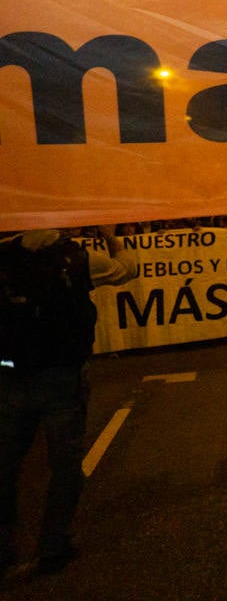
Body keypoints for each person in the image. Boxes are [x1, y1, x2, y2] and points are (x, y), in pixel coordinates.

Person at [0, 225, 138, 575]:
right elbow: (126, 269)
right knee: (64, 464)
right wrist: (112, 238)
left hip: (12, 374)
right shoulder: (78, 259)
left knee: (5, 463)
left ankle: (3, 544)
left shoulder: (4, 254)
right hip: (62, 375)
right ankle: (53, 542)